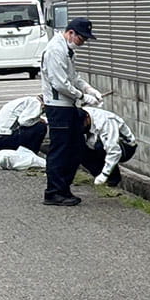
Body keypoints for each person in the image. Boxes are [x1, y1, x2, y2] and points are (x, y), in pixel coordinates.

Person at [40, 17, 103, 207]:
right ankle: (54, 192)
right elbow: (60, 83)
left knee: (74, 148)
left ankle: (63, 189)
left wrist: (89, 89)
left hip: (68, 106)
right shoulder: (55, 50)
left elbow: (74, 77)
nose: (82, 43)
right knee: (60, 150)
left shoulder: (66, 51)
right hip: (58, 106)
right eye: (81, 39)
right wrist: (82, 97)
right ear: (70, 33)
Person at [80, 106, 138, 187]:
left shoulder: (105, 121)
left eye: (83, 124)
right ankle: (99, 176)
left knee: (100, 146)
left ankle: (111, 179)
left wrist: (104, 174)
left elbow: (114, 151)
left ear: (87, 118)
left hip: (125, 147)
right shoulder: (80, 114)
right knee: (78, 149)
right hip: (96, 142)